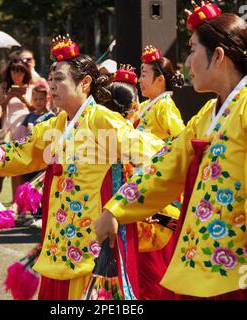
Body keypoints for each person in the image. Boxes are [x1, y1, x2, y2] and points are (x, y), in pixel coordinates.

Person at [0, 36, 164, 300]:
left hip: (93, 236)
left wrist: (124, 207)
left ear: (84, 83)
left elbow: (152, 154)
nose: (51, 85)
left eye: (59, 79)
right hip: (59, 238)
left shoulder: (102, 120)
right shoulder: (56, 124)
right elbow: (22, 150)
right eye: (51, 79)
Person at [95, 3, 247, 300]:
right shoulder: (207, 115)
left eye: (192, 50)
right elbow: (166, 165)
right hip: (202, 267)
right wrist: (117, 208)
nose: (186, 62)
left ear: (217, 56)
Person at [103, 65, 180, 300]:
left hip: (122, 209)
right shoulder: (135, 131)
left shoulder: (163, 106)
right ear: (133, 106)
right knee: (150, 275)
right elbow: (175, 148)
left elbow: (178, 137)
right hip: (143, 206)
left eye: (144, 74)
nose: (142, 80)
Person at [134, 45, 185, 142]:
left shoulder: (165, 106)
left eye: (144, 75)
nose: (139, 80)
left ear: (160, 79)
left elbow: (179, 138)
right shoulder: (146, 105)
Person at [0, 59, 33, 198]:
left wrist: (23, 99)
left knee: (21, 170)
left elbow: (35, 110)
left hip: (24, 132)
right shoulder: (4, 87)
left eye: (20, 71)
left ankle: (18, 202)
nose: (17, 75)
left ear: (25, 73)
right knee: (10, 168)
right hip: (8, 132)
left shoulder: (30, 88)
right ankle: (11, 202)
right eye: (14, 71)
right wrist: (9, 97)